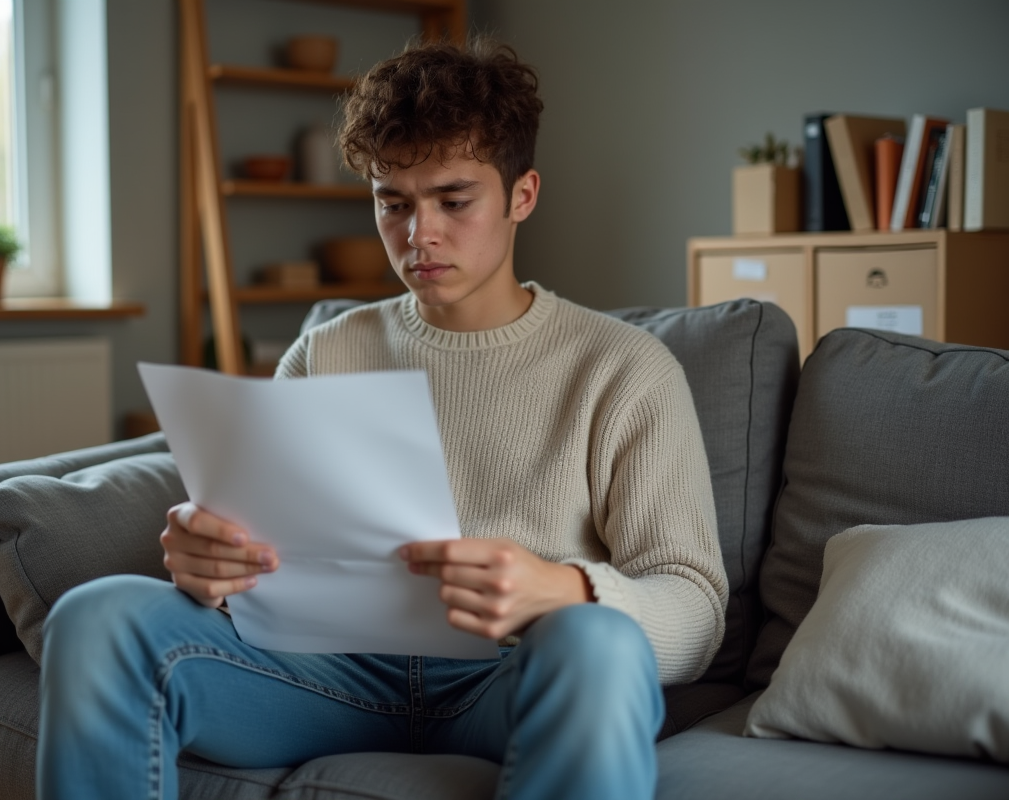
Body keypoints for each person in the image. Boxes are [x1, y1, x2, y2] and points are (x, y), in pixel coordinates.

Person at [37, 38, 727, 800]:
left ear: (522, 195)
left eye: (453, 200)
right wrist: (214, 564)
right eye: (392, 202)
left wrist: (563, 589)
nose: (418, 233)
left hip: (506, 677)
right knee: (96, 615)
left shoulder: (625, 369)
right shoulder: (326, 351)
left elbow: (694, 609)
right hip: (322, 674)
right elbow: (268, 557)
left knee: (597, 643)